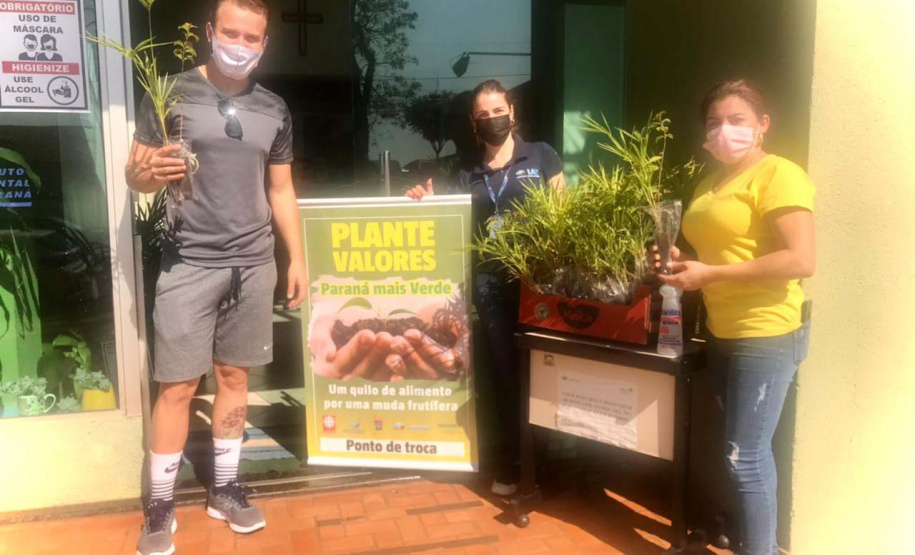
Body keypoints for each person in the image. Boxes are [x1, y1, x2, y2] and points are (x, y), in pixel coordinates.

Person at [125, 1, 307, 554]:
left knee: (234, 379)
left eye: (252, 36)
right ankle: (159, 505)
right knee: (178, 385)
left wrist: (296, 257)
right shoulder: (170, 91)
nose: (240, 43)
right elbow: (137, 175)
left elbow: (280, 189)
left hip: (253, 264)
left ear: (265, 42)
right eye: (231, 32)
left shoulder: (274, 108)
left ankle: (224, 488)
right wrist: (145, 173)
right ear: (211, 31)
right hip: (189, 261)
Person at [656, 79, 815, 555]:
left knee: (745, 458)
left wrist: (711, 273)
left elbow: (801, 259)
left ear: (763, 125)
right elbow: (720, 250)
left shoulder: (778, 174)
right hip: (723, 333)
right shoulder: (711, 183)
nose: (724, 130)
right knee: (740, 454)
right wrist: (681, 262)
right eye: (714, 122)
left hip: (765, 333)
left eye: (737, 120)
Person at [407, 80, 565, 495]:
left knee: (545, 367)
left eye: (499, 111)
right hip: (491, 283)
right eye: (483, 115)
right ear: (475, 123)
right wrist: (424, 201)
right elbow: (447, 216)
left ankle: (544, 458)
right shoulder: (464, 170)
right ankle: (516, 461)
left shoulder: (543, 155)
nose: (493, 119)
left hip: (538, 281)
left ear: (512, 112)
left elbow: (563, 214)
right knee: (505, 372)